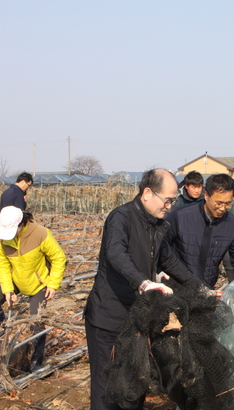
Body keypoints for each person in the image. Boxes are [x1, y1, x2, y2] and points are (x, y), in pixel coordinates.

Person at [85, 169, 203, 410]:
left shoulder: (158, 226)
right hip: (109, 317)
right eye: (167, 200)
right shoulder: (121, 218)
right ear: (147, 193)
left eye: (173, 200)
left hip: (137, 319)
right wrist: (144, 283)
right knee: (106, 387)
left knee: (135, 384)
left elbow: (170, 262)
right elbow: (116, 253)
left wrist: (201, 289)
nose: (170, 206)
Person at [0, 206, 66, 373]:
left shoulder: (40, 233)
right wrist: (8, 289)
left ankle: (37, 360)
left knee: (35, 320)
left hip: (38, 283)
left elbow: (59, 257)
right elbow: (1, 263)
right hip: (15, 278)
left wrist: (52, 284)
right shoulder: (0, 236)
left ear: (22, 224)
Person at [164, 173, 234, 288]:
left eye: (228, 203)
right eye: (218, 203)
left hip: (207, 288)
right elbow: (161, 247)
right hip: (178, 287)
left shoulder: (231, 223)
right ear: (206, 195)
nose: (222, 208)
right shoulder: (180, 217)